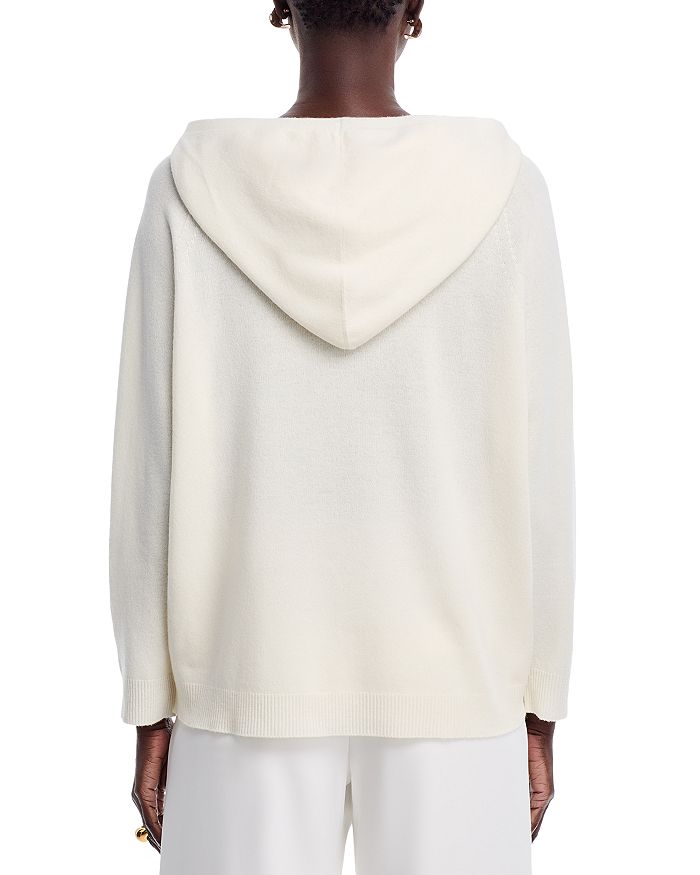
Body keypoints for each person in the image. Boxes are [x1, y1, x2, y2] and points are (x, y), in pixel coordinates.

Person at [108, 1, 576, 872]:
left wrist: (149, 699)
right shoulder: (505, 191)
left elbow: (148, 467)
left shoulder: (189, 188)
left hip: (245, 672)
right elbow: (542, 465)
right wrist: (542, 700)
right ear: (415, 10)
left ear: (281, 7)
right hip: (458, 684)